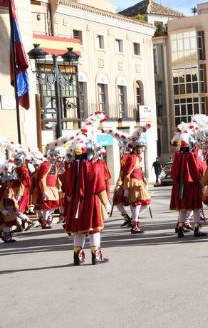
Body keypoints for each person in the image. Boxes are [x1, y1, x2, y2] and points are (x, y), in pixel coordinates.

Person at [62, 112, 111, 265]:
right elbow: (100, 186)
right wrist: (106, 203)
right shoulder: (94, 166)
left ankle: (77, 256)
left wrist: (69, 202)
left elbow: (67, 189)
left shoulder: (70, 168)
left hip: (76, 201)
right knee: (94, 228)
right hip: (92, 201)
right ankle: (96, 255)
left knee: (79, 229)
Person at [170, 128, 207, 238]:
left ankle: (180, 229)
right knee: (196, 207)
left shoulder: (177, 155)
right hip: (192, 185)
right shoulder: (192, 155)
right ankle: (196, 229)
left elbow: (173, 173)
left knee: (183, 208)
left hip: (180, 185)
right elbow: (198, 170)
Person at [120, 140, 152, 234]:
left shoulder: (137, 157)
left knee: (145, 203)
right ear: (136, 148)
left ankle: (134, 220)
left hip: (139, 182)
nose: (143, 149)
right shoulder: (133, 158)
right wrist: (126, 187)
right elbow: (126, 173)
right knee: (138, 204)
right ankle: (135, 225)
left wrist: (143, 179)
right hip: (134, 183)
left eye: (142, 147)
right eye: (141, 147)